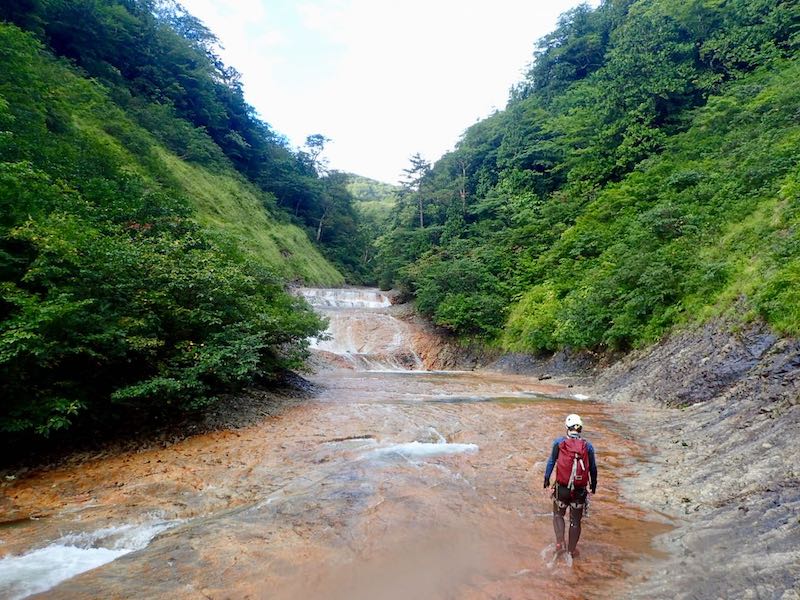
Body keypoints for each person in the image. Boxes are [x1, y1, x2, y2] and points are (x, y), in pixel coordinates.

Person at [543, 413, 597, 561]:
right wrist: (593, 485)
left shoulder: (559, 442)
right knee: (575, 521)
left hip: (562, 488)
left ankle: (560, 543)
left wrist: (546, 479)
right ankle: (571, 551)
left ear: (567, 427)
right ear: (580, 429)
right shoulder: (588, 446)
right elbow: (593, 468)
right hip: (579, 490)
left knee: (558, 514)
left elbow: (551, 462)